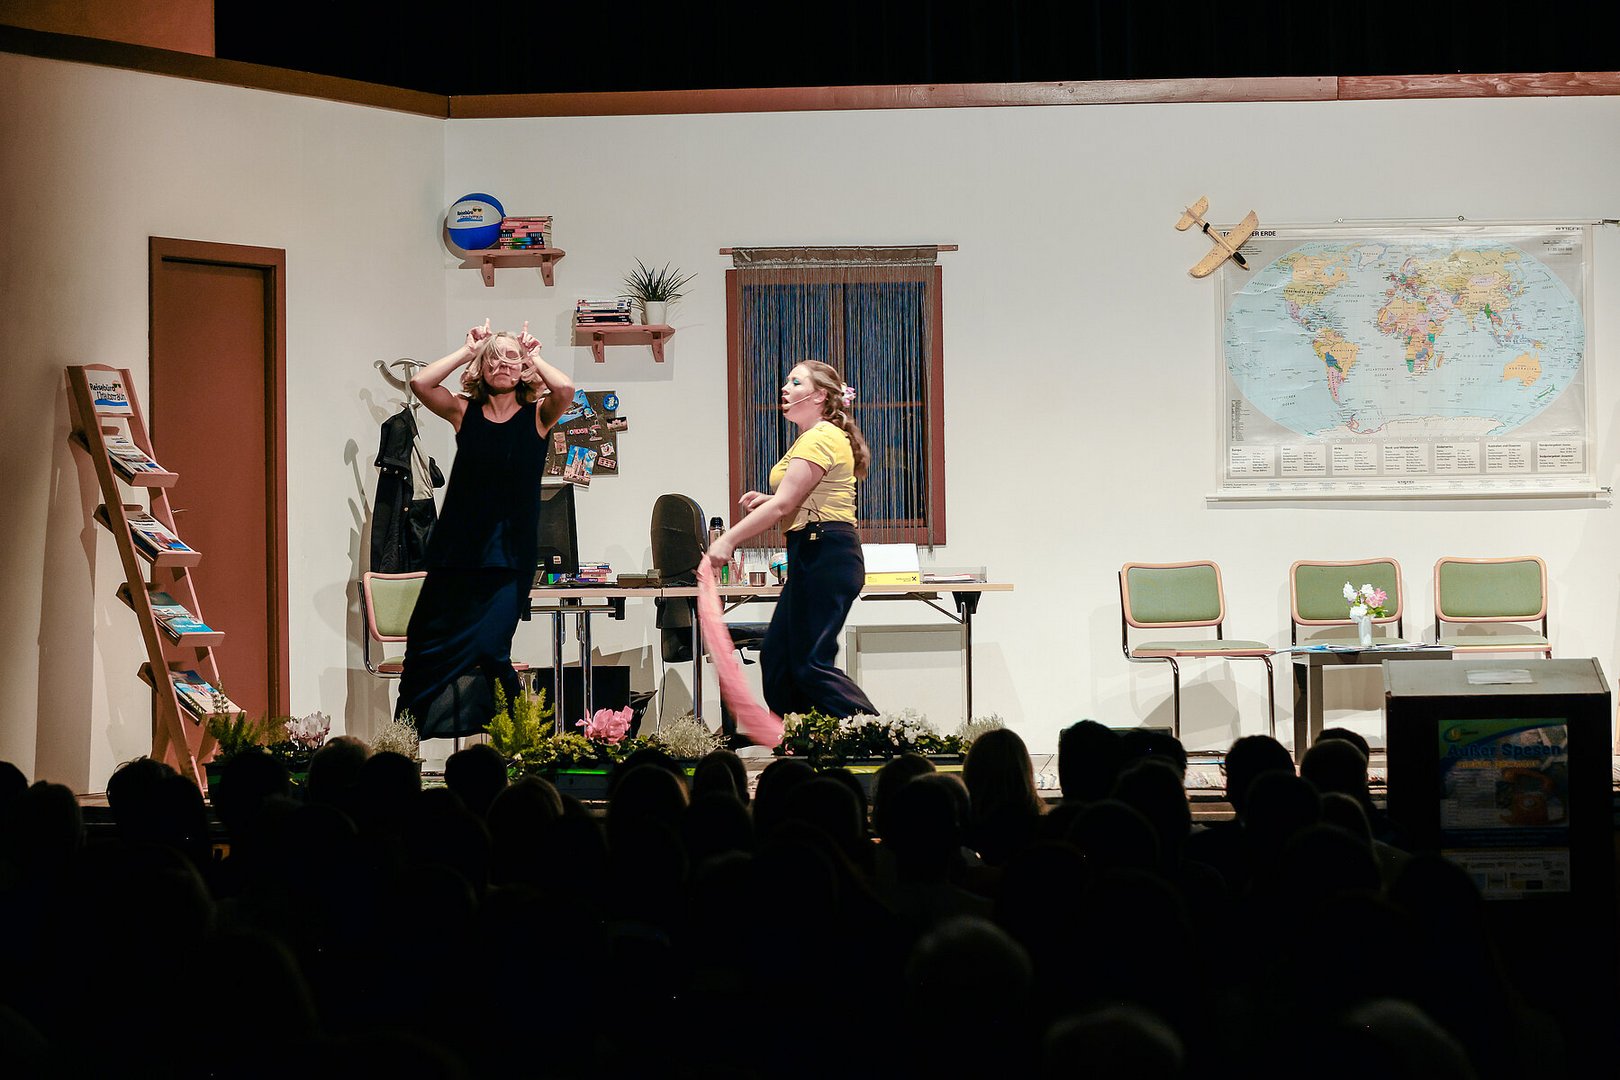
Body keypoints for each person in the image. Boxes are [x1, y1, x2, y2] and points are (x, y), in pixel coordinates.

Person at [395, 320, 574, 739]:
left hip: (508, 562)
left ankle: (522, 740)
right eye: (493, 358)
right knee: (422, 651)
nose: (502, 364)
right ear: (481, 366)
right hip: (455, 559)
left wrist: (533, 357)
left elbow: (565, 389)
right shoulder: (464, 412)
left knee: (492, 650)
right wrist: (466, 350)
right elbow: (421, 384)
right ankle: (401, 740)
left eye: (511, 358)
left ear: (524, 367)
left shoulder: (538, 416)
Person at [704, 360, 877, 719]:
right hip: (811, 551)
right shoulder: (813, 437)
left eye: (796, 382)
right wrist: (772, 500)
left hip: (826, 552)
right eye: (787, 381)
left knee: (809, 663)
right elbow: (797, 497)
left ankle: (878, 734)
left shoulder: (821, 437)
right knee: (779, 658)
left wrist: (728, 540)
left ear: (819, 396)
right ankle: (801, 739)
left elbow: (785, 504)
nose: (785, 388)